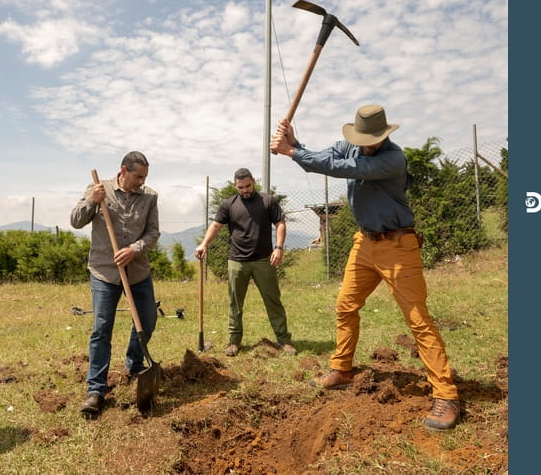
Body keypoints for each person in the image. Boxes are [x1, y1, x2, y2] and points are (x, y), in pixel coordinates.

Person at [270, 105, 460, 431]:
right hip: (364, 244)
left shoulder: (392, 160)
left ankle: (446, 394)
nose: (366, 144)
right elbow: (325, 156)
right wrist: (297, 145)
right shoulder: (350, 146)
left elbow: (340, 168)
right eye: (362, 140)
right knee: (345, 306)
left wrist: (290, 152)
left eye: (373, 140)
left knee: (418, 319)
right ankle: (342, 369)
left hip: (399, 246)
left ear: (384, 136)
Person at [70, 151, 160, 418]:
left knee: (147, 320)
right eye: (137, 176)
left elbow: (153, 232)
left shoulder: (150, 197)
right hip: (104, 272)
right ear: (123, 170)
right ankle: (96, 390)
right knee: (101, 328)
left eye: (144, 177)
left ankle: (134, 366)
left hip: (137, 272)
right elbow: (75, 221)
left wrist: (134, 249)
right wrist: (91, 202)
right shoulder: (98, 190)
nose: (141, 182)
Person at [194, 168, 295, 357]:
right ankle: (234, 342)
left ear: (253, 182)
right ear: (235, 186)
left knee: (273, 301)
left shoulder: (267, 201)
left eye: (248, 186)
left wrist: (279, 248)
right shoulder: (228, 204)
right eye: (241, 187)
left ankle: (284, 341)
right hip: (237, 261)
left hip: (264, 260)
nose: (245, 190)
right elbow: (216, 225)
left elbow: (280, 223)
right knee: (235, 303)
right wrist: (204, 244)